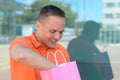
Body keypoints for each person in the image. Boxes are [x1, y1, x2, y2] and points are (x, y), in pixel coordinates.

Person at [9, 5, 70, 80]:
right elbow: (21, 54)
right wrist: (56, 69)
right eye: (52, 31)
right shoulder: (23, 42)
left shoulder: (62, 50)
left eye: (61, 32)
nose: (57, 37)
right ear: (38, 26)